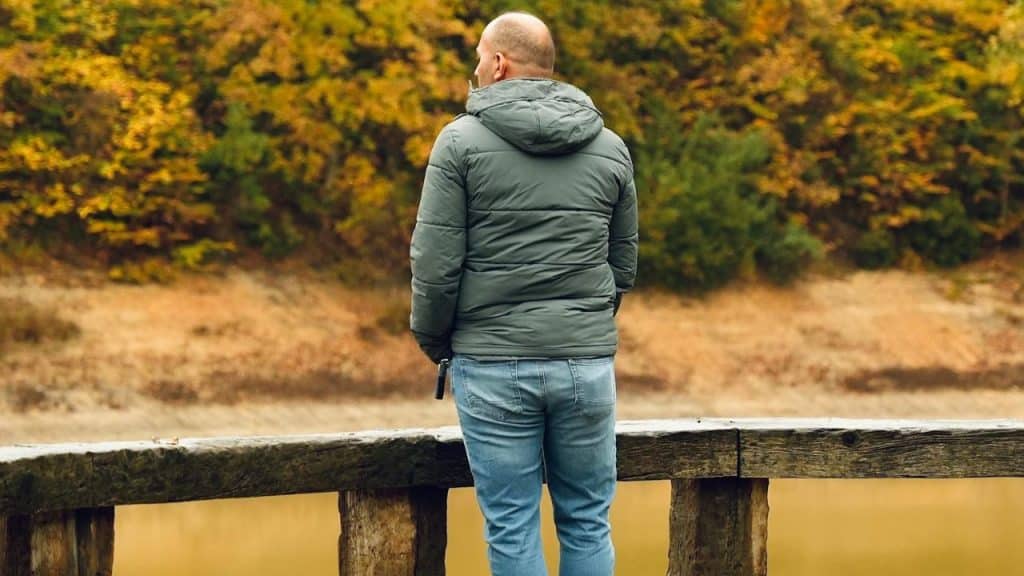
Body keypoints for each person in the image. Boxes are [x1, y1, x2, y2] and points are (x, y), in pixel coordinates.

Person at [409, 11, 638, 576]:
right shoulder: (610, 146)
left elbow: (435, 263)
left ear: (498, 63)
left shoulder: (459, 143)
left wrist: (437, 340)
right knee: (587, 520)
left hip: (491, 362)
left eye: (478, 57)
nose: (475, 68)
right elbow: (622, 264)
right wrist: (583, 327)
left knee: (511, 524)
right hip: (585, 366)